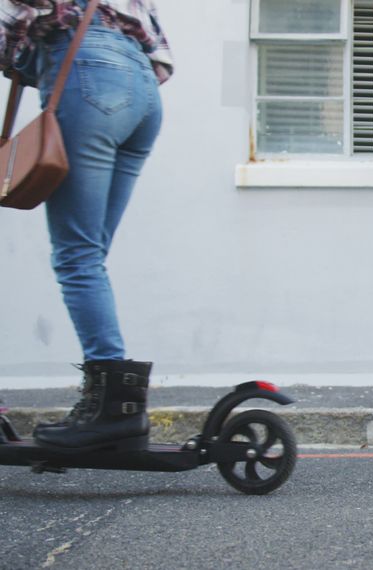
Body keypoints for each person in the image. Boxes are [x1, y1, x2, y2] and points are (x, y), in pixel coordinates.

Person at [0, 0, 172, 452]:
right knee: (88, 256)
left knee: (77, 257)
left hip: (88, 72)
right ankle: (115, 407)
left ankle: (113, 410)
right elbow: (159, 51)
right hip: (142, 90)